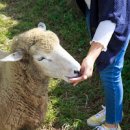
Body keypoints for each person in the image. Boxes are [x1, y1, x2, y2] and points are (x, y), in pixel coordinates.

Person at [70, 0, 130, 130]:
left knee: (110, 72)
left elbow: (111, 17)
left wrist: (90, 58)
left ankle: (112, 124)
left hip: (114, 22)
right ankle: (113, 110)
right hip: (97, 12)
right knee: (105, 68)